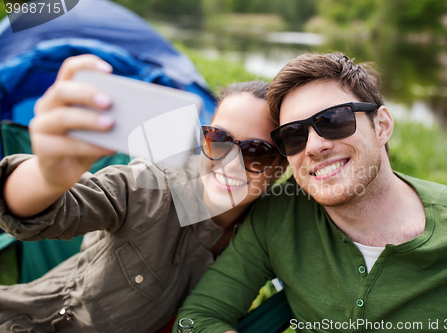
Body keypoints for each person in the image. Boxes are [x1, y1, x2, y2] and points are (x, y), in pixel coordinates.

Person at [176, 52, 447, 332]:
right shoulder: (280, 216)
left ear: (382, 126)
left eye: (333, 120)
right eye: (294, 135)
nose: (314, 146)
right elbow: (199, 317)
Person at [0, 54, 286, 333]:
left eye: (255, 152)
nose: (229, 162)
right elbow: (48, 210)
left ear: (282, 166)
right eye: (218, 139)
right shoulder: (151, 188)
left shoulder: (271, 227)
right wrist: (47, 177)